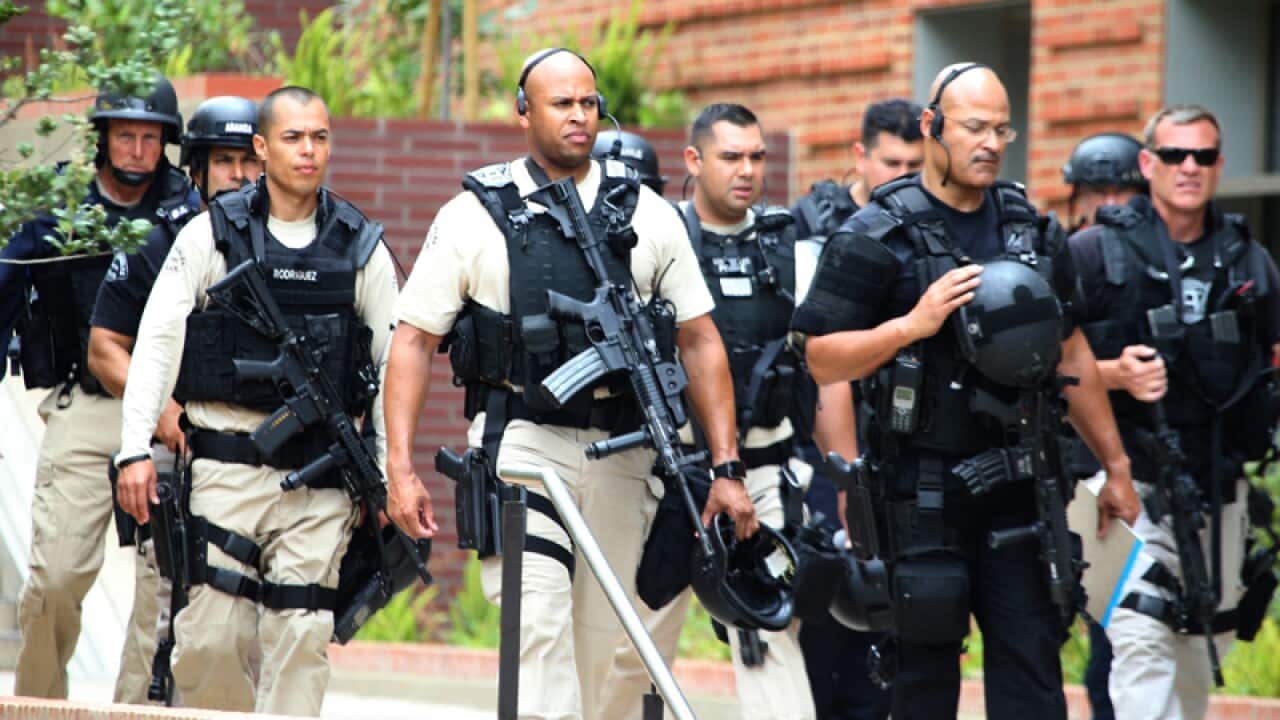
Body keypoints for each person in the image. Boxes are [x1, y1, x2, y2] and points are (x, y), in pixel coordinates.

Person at [381, 48, 757, 720]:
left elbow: (701, 340)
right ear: (523, 112)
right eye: (562, 103)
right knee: (538, 628)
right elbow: (411, 339)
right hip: (523, 446)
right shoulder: (475, 216)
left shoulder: (646, 212)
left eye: (588, 103)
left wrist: (726, 466)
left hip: (624, 453)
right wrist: (398, 466)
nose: (579, 117)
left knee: (599, 653)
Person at [792, 63, 1140, 720]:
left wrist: (1117, 467)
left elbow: (1074, 352)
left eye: (1000, 129)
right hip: (922, 495)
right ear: (933, 127)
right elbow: (818, 355)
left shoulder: (1031, 232)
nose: (988, 142)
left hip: (1021, 495)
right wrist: (910, 325)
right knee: (923, 685)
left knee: (1034, 679)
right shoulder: (875, 234)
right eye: (973, 127)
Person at [114, 85, 397, 716]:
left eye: (320, 138)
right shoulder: (208, 235)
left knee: (300, 635)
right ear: (263, 148)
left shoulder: (360, 247)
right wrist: (132, 449)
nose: (309, 151)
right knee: (211, 642)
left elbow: (393, 362)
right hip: (225, 466)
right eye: (294, 138)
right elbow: (158, 340)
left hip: (322, 479)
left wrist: (390, 476)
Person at [599, 104, 816, 720]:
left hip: (763, 474)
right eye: (731, 157)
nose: (746, 171)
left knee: (768, 633)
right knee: (636, 641)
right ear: (693, 161)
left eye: (757, 157)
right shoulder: (655, 240)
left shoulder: (788, 246)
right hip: (673, 476)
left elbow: (815, 366)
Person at [1069, 105, 1280, 720]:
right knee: (1139, 638)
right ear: (1147, 164)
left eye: (1204, 156)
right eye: (1174, 155)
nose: (1189, 168)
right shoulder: (1092, 252)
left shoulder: (1249, 260)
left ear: (1218, 166)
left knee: (1197, 650)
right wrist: (1115, 375)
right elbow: (1048, 371)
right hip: (1122, 484)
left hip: (1217, 485)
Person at [2, 72, 197, 702]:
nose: (138, 149)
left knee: (159, 590)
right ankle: (34, 706)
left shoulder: (189, 214)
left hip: (171, 414)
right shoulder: (59, 207)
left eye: (150, 137)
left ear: (166, 142)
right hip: (86, 403)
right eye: (125, 135)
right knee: (54, 579)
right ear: (103, 138)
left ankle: (136, 713)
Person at [87, 94, 262, 706]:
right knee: (156, 618)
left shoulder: (298, 246)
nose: (239, 175)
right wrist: (160, 417)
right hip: (174, 450)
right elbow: (105, 346)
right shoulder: (165, 240)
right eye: (224, 161)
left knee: (246, 625)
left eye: (249, 160)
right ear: (197, 169)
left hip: (257, 462)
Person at [790, 98, 924, 720]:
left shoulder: (923, 224)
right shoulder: (811, 231)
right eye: (891, 161)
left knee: (887, 619)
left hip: (898, 440)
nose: (901, 175)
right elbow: (817, 363)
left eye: (914, 164)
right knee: (826, 610)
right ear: (859, 156)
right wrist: (843, 472)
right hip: (822, 451)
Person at [1059, 129, 1148, 720]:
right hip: (1070, 467)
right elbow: (1054, 363)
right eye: (1097, 190)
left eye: (1122, 190)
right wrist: (1113, 374)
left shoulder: (1149, 256)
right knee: (1070, 624)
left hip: (1136, 466)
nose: (1110, 203)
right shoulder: (1067, 257)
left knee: (1121, 635)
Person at [1062, 132, 1148, 233]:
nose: (1110, 204)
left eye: (1121, 191)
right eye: (1099, 192)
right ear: (1080, 196)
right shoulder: (1066, 247)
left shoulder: (1165, 243)